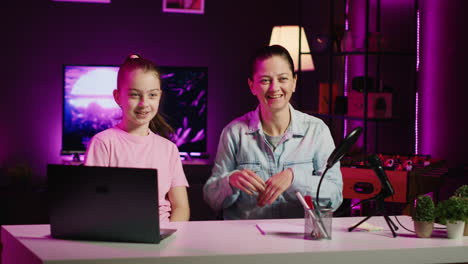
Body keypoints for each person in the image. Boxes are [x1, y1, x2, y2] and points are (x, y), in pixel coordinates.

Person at [203, 45, 342, 220]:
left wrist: (294, 178)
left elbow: (335, 197)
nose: (274, 88)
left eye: (283, 79)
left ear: (294, 82)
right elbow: (211, 199)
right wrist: (230, 181)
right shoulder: (234, 132)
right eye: (265, 80)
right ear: (252, 85)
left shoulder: (317, 130)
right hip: (246, 241)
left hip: (299, 241)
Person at [84, 54, 190, 222]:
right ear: (118, 97)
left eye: (152, 95)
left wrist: (171, 234)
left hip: (163, 238)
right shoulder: (103, 143)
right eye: (134, 95)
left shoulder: (169, 149)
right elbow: (92, 203)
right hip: (117, 238)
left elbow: (181, 207)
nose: (144, 103)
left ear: (160, 96)